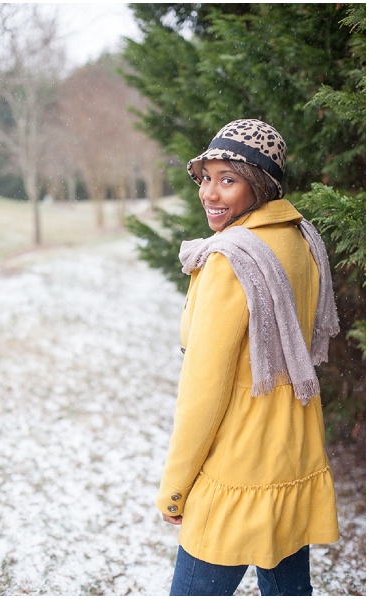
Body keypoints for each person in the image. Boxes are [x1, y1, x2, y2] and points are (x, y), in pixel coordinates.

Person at [156, 119, 340, 595]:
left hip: (238, 469)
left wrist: (175, 487)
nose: (210, 194)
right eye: (206, 178)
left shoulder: (230, 260)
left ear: (259, 184)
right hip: (292, 453)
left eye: (228, 179)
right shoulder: (301, 239)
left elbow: (204, 390)